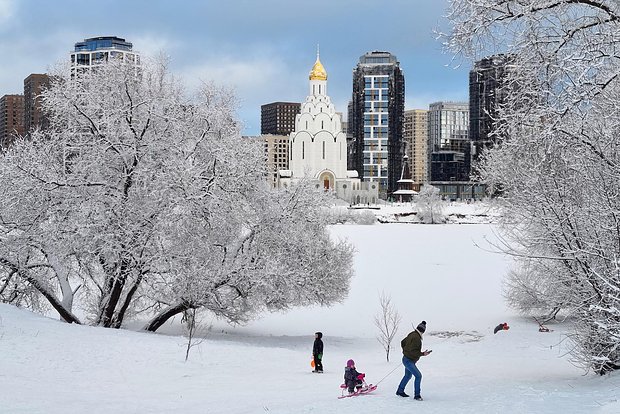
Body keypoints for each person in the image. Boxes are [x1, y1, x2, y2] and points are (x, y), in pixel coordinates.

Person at [396, 320, 432, 401]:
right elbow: (413, 351)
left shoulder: (412, 334)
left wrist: (406, 351)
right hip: (408, 361)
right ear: (423, 331)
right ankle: (417, 395)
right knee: (418, 376)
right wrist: (423, 354)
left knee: (408, 375)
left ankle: (400, 391)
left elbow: (403, 342)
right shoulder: (417, 338)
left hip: (407, 359)